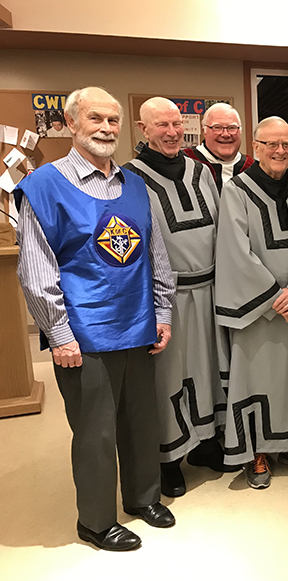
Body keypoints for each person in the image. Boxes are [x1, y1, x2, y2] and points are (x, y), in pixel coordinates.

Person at [15, 86, 176, 551]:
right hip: (82, 334)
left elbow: (155, 254)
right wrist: (58, 333)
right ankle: (96, 520)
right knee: (95, 430)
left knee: (140, 420)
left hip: (138, 324)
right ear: (71, 123)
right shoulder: (44, 187)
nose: (106, 129)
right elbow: (36, 271)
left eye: (113, 120)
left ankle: (143, 496)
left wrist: (162, 310)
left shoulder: (135, 185)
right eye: (95, 119)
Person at [126, 97, 233, 498]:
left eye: (176, 124)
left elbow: (223, 229)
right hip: (166, 297)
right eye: (162, 125)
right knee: (168, 378)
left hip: (210, 290)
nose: (172, 133)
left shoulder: (201, 171)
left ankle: (204, 443)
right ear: (143, 129)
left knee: (208, 370)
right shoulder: (129, 178)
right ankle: (168, 458)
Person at [215, 117, 288, 489]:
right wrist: (276, 297)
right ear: (255, 148)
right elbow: (234, 251)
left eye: (286, 144)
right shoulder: (236, 190)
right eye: (271, 144)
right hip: (257, 309)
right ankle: (256, 450)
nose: (280, 151)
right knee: (254, 378)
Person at [182, 102, 254, 191]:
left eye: (232, 128)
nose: (225, 134)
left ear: (240, 131)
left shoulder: (252, 169)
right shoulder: (184, 162)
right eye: (217, 127)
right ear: (204, 131)